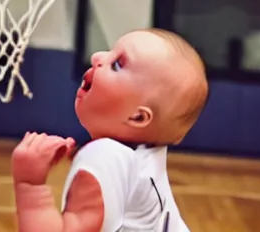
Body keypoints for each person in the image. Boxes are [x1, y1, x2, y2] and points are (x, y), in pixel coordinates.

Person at [11, 28, 209, 232]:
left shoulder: (104, 156)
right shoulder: (150, 152)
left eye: (116, 64)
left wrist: (30, 186)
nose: (97, 56)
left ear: (137, 117)